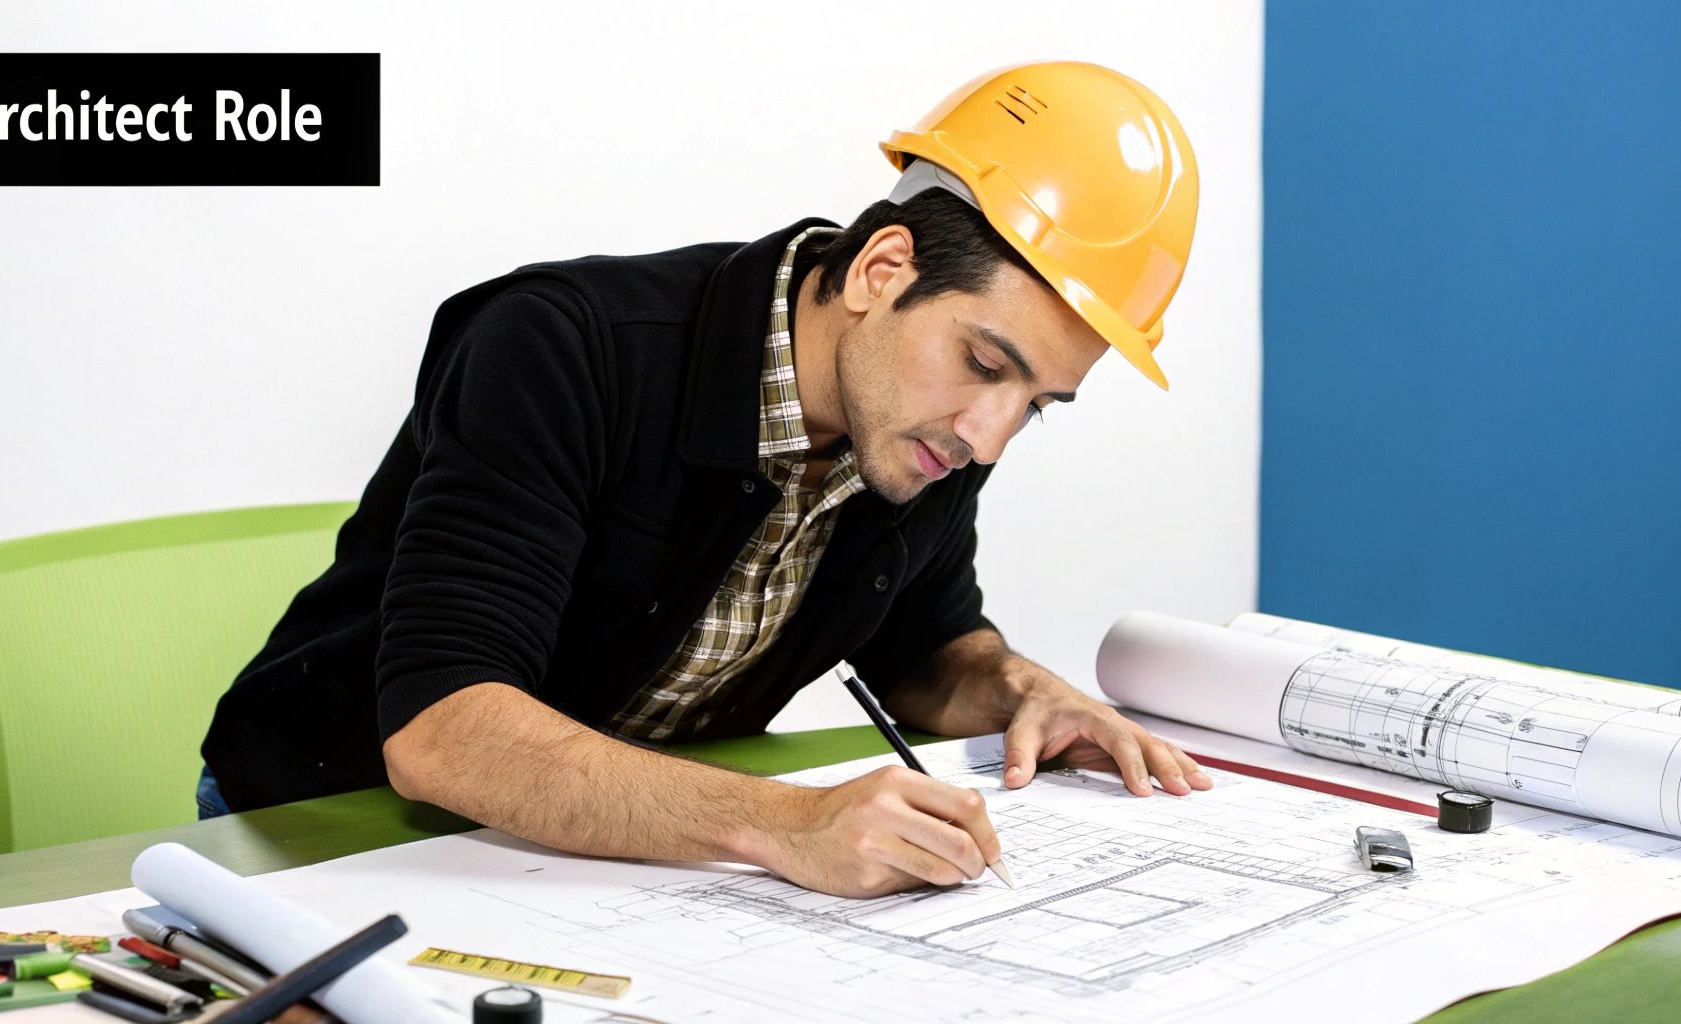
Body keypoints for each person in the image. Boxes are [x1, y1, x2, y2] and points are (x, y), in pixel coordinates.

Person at [200, 60, 1207, 899]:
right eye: (986, 365)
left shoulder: (924, 425)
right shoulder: (562, 346)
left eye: (1034, 403)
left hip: (624, 866)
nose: (989, 437)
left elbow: (920, 645)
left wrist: (1014, 690)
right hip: (339, 833)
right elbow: (444, 733)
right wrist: (786, 822)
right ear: (880, 272)